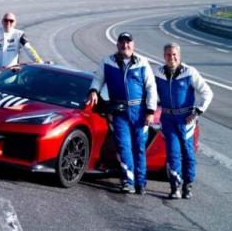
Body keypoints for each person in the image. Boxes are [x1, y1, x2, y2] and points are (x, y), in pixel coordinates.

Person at [88, 32, 157, 195]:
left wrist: (150, 110)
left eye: (128, 42)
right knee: (124, 146)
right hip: (118, 111)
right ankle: (128, 181)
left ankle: (141, 183)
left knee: (139, 148)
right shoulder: (107, 61)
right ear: (117, 44)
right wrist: (93, 91)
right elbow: (98, 79)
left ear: (133, 45)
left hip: (139, 111)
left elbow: (151, 87)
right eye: (122, 42)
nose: (125, 45)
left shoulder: (142, 63)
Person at [154, 43, 213, 199]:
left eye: (174, 55)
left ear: (179, 56)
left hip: (186, 119)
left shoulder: (189, 72)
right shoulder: (158, 72)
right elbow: (149, 90)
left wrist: (198, 110)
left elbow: (207, 92)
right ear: (163, 56)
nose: (171, 57)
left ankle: (188, 184)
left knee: (188, 153)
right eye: (168, 55)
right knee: (173, 153)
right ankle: (175, 186)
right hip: (167, 119)